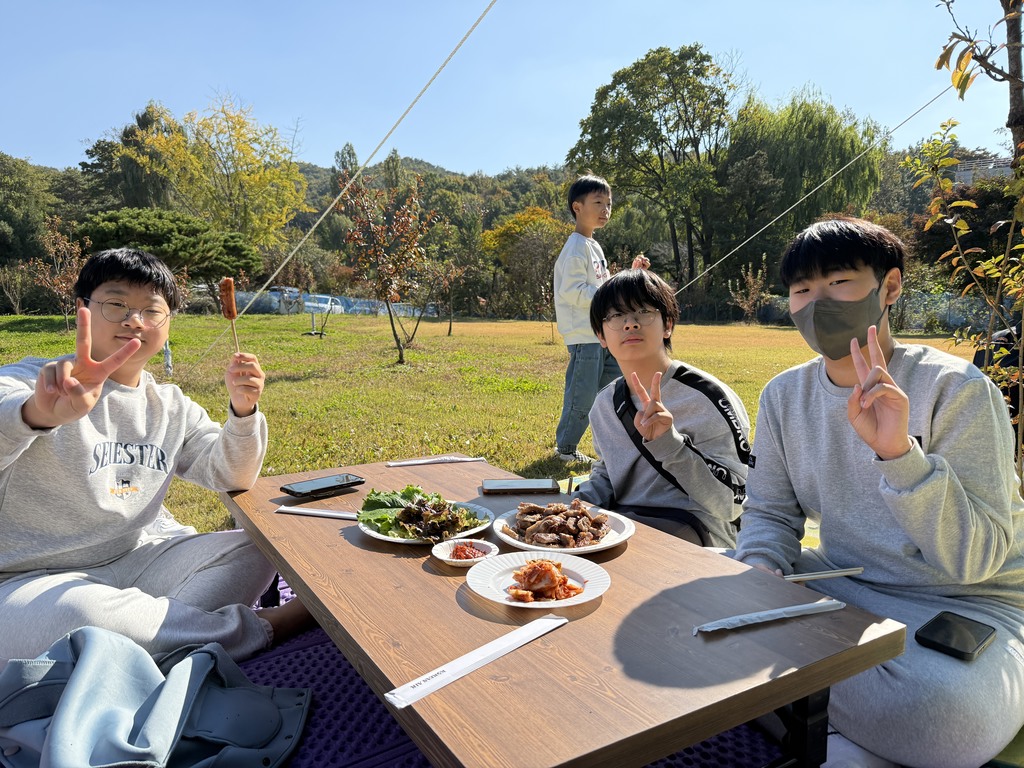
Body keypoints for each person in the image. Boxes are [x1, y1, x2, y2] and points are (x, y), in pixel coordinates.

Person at [733, 218, 1024, 767]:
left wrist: (900, 456)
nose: (817, 304)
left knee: (942, 716)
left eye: (839, 282)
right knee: (710, 582)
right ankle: (818, 714)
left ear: (889, 287)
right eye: (802, 290)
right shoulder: (783, 395)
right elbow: (770, 512)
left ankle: (783, 703)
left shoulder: (955, 389)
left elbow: (977, 561)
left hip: (966, 604)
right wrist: (760, 568)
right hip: (843, 579)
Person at [0, 247, 314, 669]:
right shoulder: (33, 382)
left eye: (151, 310)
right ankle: (265, 627)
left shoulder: (169, 405)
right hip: (22, 581)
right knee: (82, 616)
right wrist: (38, 414)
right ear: (82, 309)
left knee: (256, 548)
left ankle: (150, 640)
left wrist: (243, 412)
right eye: (116, 304)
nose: (134, 320)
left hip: (137, 560)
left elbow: (230, 476)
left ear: (168, 323)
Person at [573, 269, 749, 547]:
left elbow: (733, 504)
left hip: (696, 533)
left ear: (667, 325)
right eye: (616, 315)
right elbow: (607, 472)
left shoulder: (708, 397)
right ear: (601, 336)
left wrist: (671, 445)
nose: (630, 324)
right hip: (621, 525)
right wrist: (575, 505)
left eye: (643, 312)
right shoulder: (604, 404)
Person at [553, 174, 649, 464]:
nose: (605, 209)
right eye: (598, 202)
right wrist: (608, 292)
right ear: (577, 207)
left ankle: (613, 444)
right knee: (582, 396)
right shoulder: (575, 247)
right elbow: (572, 291)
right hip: (585, 337)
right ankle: (565, 449)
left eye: (609, 203)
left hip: (602, 334)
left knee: (611, 391)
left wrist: (629, 274)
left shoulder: (593, 246)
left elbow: (601, 285)